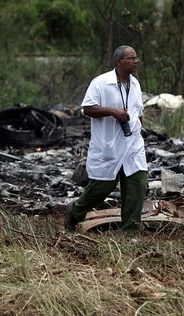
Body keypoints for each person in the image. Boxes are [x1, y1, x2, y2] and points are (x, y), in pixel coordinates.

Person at [65, 45, 147, 233]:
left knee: (137, 185)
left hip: (133, 145)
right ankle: (75, 211)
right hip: (110, 145)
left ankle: (129, 233)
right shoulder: (101, 83)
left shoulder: (135, 84)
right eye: (131, 58)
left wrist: (140, 131)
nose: (136, 62)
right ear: (119, 62)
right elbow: (87, 109)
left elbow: (138, 110)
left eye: (136, 58)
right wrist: (112, 111)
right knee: (102, 187)